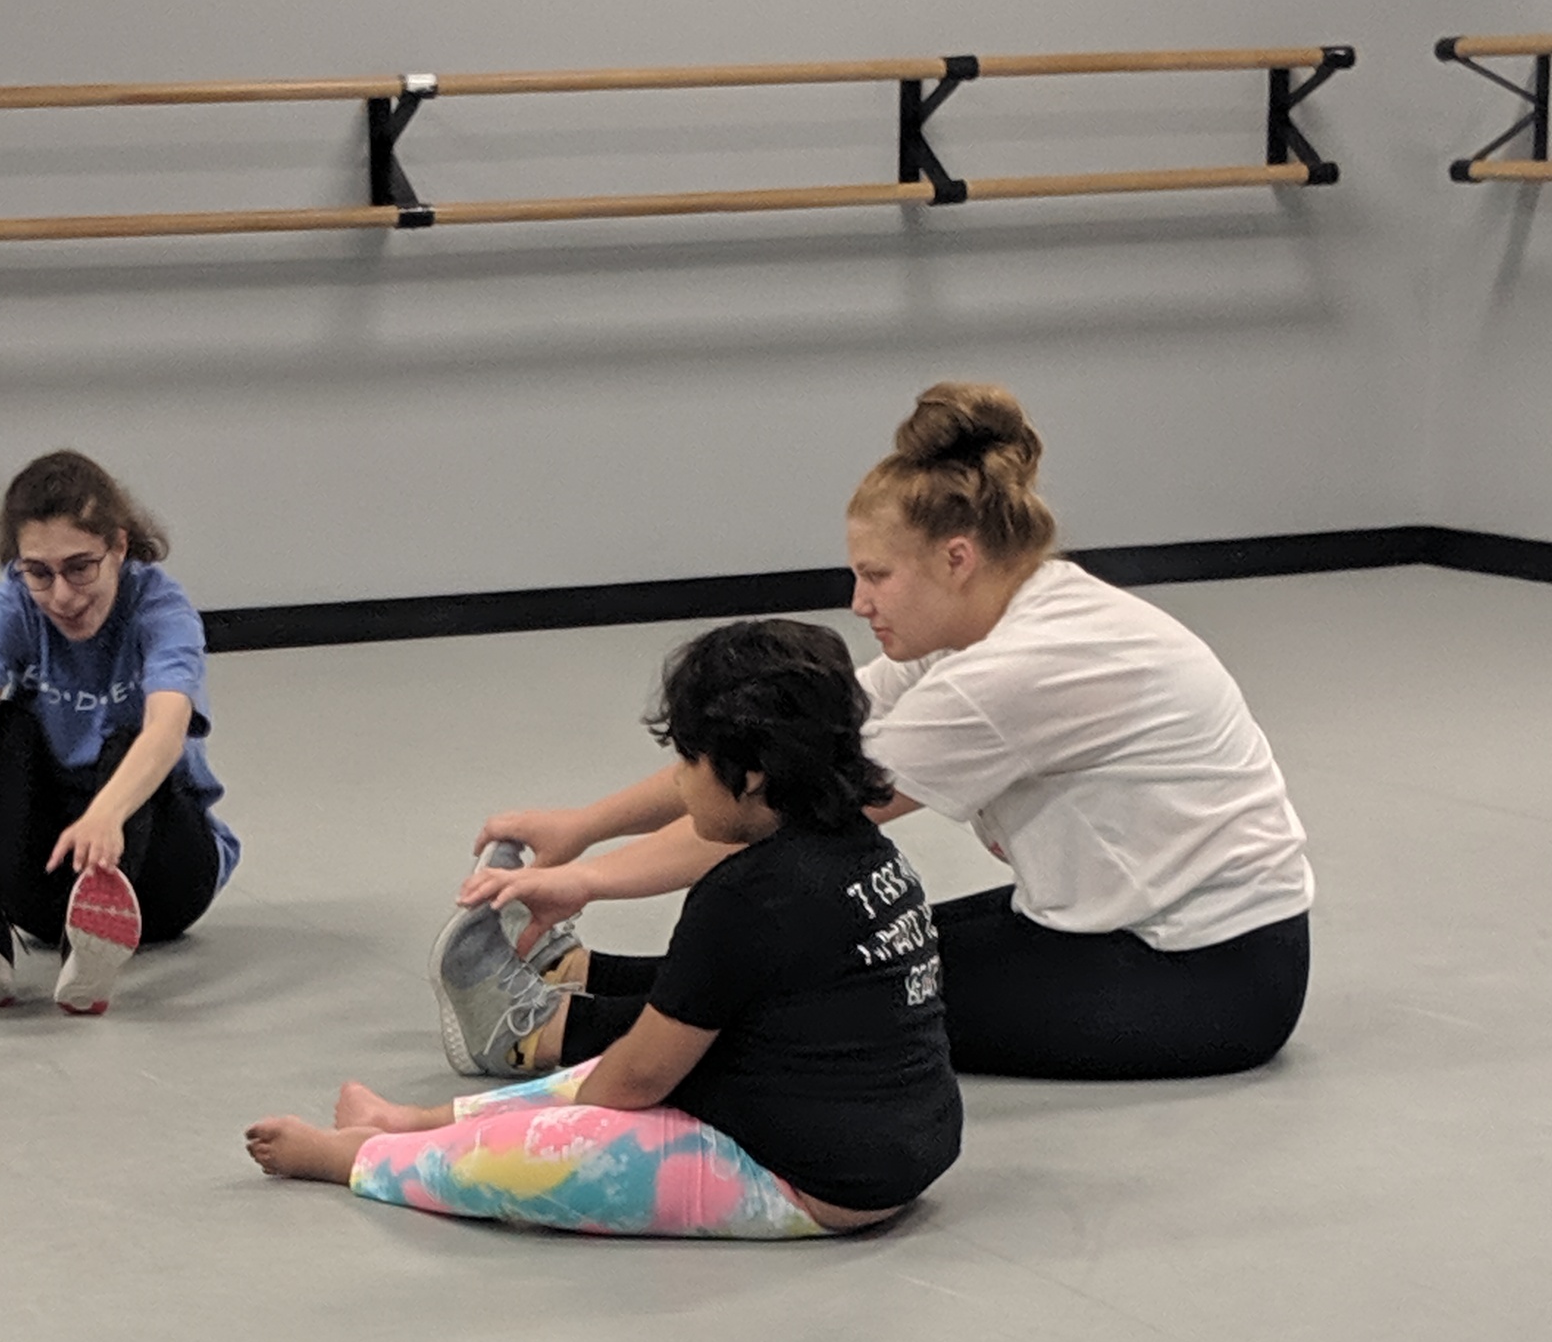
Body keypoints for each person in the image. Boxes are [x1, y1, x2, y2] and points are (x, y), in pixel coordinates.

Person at [449, 383, 1313, 1084]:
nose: (858, 602)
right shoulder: (985, 618)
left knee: (840, 995)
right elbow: (778, 745)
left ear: (956, 558)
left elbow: (784, 807)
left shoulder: (1014, 671)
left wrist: (589, 879)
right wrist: (584, 826)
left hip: (1206, 975)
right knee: (859, 947)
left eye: (876, 576)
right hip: (1109, 929)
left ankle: (543, 1032)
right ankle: (583, 975)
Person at [246, 618, 958, 1238]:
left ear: (750, 778)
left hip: (810, 1183)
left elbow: (639, 1078)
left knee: (565, 1144)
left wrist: (569, 1126)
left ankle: (359, 1158)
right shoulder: (865, 849)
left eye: (688, 760)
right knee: (613, 1062)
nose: (678, 782)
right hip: (904, 1143)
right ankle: (416, 1120)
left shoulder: (743, 896)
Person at [0, 448, 238, 1016]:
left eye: (80, 567)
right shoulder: (8, 608)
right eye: (39, 573)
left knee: (127, 739)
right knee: (5, 727)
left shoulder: (161, 608)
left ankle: (92, 949)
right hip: (53, 881)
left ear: (119, 547)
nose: (61, 595)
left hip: (165, 876)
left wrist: (106, 814)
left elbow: (167, 730)